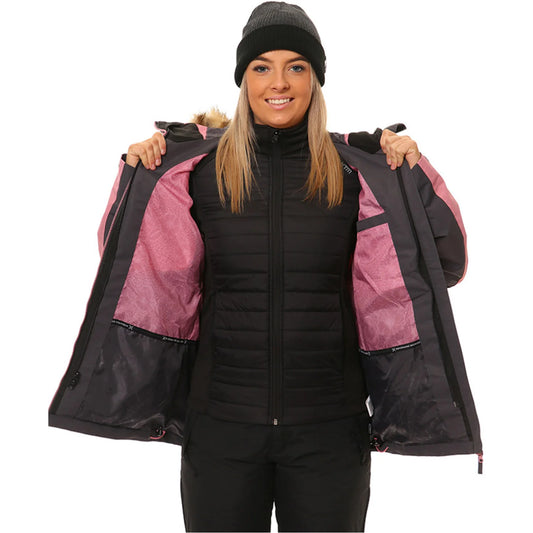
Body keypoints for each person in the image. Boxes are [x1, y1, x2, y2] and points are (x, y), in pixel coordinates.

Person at [49, 2, 482, 532]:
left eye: (296, 66)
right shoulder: (196, 170)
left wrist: (413, 170)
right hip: (222, 430)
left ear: (315, 79)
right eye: (261, 67)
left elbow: (446, 262)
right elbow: (124, 264)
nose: (279, 82)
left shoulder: (357, 171)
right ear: (244, 80)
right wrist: (139, 175)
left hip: (329, 431)